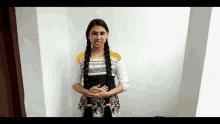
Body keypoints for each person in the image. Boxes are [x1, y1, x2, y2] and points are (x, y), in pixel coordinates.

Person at [72, 19, 129, 117]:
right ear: (88, 35)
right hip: (87, 108)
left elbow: (125, 83)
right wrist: (88, 92)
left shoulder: (116, 58)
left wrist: (108, 93)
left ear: (107, 34)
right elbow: (75, 84)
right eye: (94, 33)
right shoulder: (81, 58)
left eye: (102, 33)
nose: (98, 37)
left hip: (111, 107)